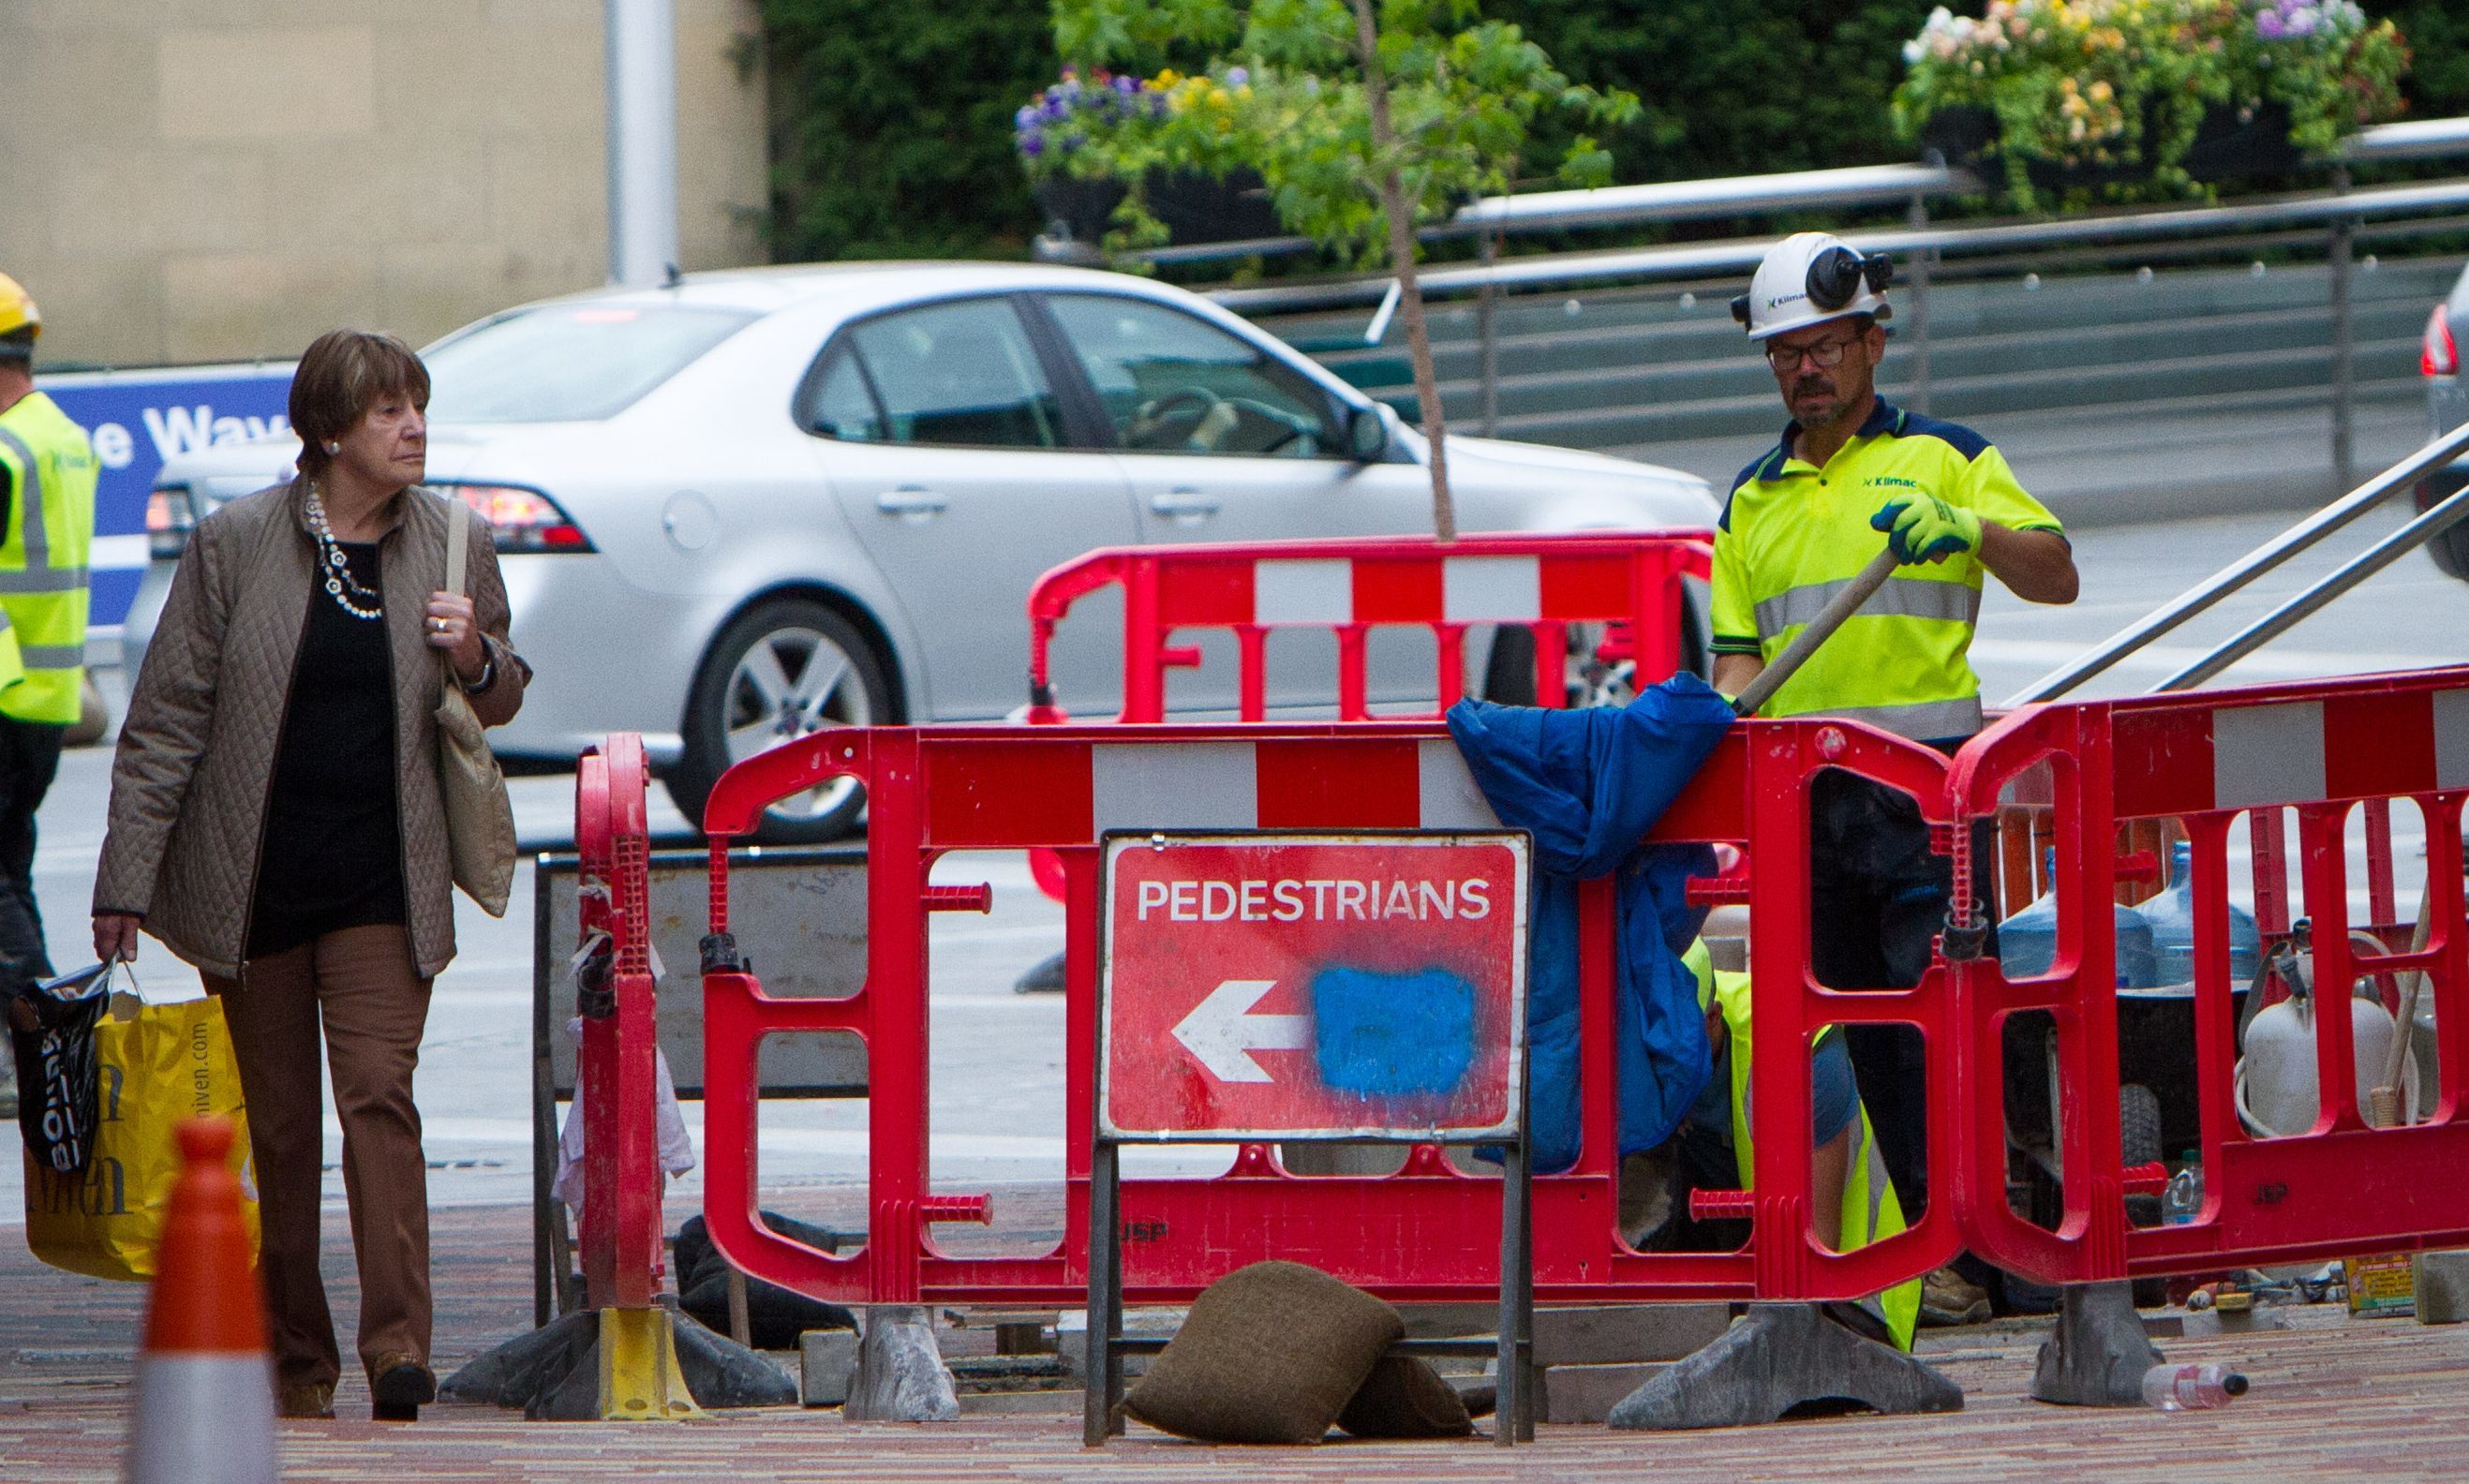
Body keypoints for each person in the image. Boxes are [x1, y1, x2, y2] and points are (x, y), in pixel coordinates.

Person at [92, 330, 529, 1421]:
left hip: (387, 877)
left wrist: (473, 651)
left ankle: (398, 1353)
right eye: (389, 412)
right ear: (330, 431)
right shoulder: (236, 544)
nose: (414, 428)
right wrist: (125, 880)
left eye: (418, 407)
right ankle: (297, 1359)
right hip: (256, 885)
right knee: (281, 1132)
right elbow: (165, 724)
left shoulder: (454, 539)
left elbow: (505, 692)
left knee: (380, 1099)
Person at [1711, 232, 2078, 1324]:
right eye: (1784, 353)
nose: (1802, 368)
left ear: (1872, 342)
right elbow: (1739, 653)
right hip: (1806, 809)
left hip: (1925, 798)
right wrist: (1721, 700)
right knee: (1862, 1033)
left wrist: (1967, 529)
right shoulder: (1750, 499)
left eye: (1822, 346)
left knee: (1960, 1022)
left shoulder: (1947, 458)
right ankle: (1939, 1251)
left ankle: (2006, 1240)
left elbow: (2055, 574)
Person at [0, 272, 69, 1121]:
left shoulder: (5, 448)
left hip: (5, 685)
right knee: (9, 867)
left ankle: (40, 1046)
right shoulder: (56, 435)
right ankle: (42, 1041)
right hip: (44, 693)